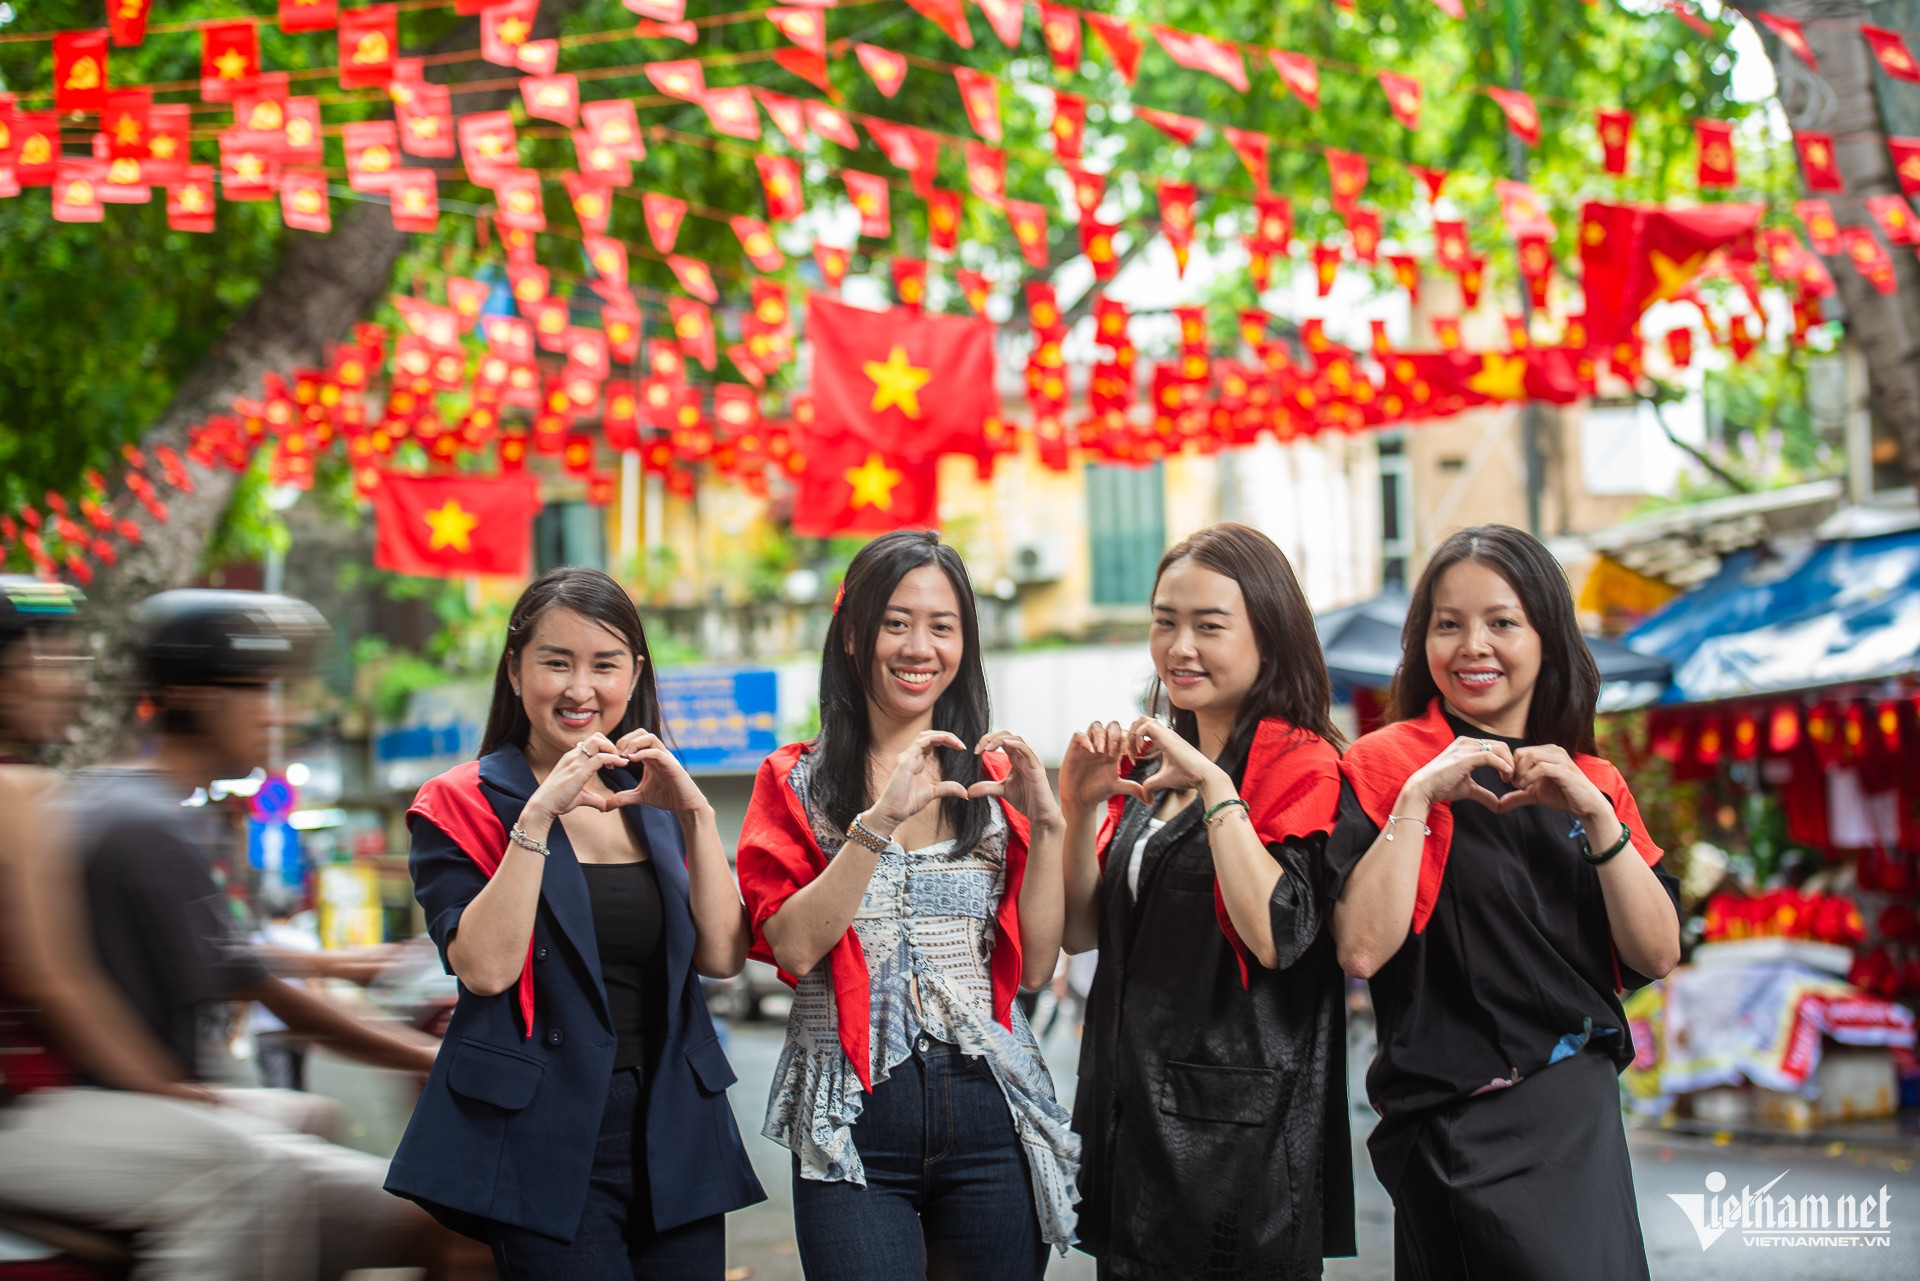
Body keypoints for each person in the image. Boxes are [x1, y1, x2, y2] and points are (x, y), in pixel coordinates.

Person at [3, 584, 465, 1281]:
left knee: (307, 1123)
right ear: (198, 695)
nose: (278, 713)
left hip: (53, 1100)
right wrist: (165, 1088)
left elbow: (226, 953)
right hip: (33, 1108)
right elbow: (58, 978)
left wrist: (343, 967)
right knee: (238, 1168)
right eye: (256, 688)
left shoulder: (97, 797)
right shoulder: (55, 800)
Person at [386, 566, 764, 1279]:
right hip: (542, 1131)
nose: (580, 688)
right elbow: (486, 967)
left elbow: (721, 955)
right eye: (555, 662)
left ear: (635, 672)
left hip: (672, 1121)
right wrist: (535, 815)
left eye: (604, 664)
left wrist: (698, 815)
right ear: (515, 668)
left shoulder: (648, 792)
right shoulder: (458, 800)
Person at [1328, 525, 1681, 1280]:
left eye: (1501, 622)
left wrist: (1598, 814)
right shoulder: (1382, 763)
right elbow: (1359, 948)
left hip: (1575, 1112)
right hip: (1447, 1124)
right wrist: (1420, 795)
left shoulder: (1593, 780)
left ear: (1547, 635)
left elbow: (1656, 952)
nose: (1472, 646)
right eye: (1447, 624)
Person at [737, 529, 1077, 1281]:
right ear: (854, 634)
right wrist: (876, 824)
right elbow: (792, 947)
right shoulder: (793, 780)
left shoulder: (993, 780)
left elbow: (1037, 965)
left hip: (992, 1108)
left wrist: (1049, 826)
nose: (918, 645)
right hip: (852, 1115)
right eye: (896, 621)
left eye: (942, 625)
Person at [1060, 523, 1356, 1279]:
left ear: (1270, 635)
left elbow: (1276, 934)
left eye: (1209, 625)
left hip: (1239, 1151)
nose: (1179, 646)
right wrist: (1080, 807)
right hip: (1131, 1126)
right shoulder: (1151, 762)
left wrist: (1219, 788)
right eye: (1165, 621)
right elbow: (1086, 929)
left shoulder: (1304, 761)